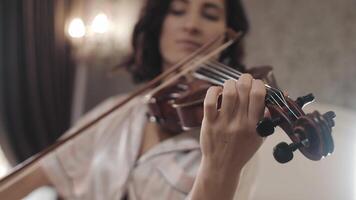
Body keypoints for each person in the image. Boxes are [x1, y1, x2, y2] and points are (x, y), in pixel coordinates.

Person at [0, 0, 269, 199]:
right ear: (158, 26)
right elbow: (34, 174)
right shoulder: (115, 113)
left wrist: (218, 168)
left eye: (210, 14)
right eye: (177, 11)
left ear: (226, 36)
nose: (191, 25)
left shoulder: (232, 134)